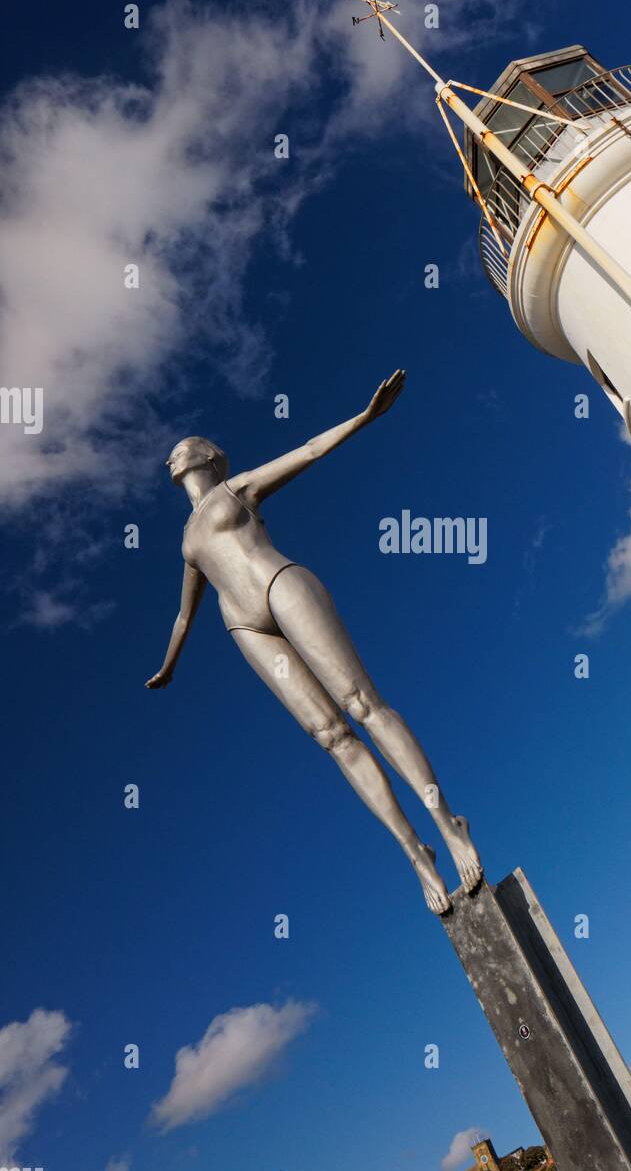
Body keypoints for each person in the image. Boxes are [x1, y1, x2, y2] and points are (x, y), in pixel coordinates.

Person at [146, 370, 482, 913]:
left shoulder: (239, 487)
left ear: (209, 456)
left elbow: (306, 451)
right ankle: (417, 855)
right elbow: (184, 616)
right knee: (332, 736)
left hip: (281, 585)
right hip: (245, 626)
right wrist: (168, 667)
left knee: (362, 705)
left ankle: (448, 823)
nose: (173, 455)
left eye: (183, 446)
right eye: (171, 453)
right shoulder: (187, 540)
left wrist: (365, 417)